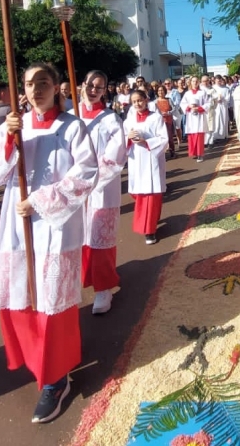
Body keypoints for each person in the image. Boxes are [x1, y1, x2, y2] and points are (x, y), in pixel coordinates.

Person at [0, 62, 98, 423]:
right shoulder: (15, 126)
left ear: (57, 86)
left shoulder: (72, 127)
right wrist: (9, 140)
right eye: (30, 83)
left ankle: (55, 378)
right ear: (23, 90)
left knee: (52, 303)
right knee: (22, 298)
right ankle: (36, 362)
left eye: (43, 82)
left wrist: (42, 201)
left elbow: (86, 174)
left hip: (55, 228)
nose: (36, 89)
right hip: (19, 229)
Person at [73, 70, 127, 315]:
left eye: (100, 86)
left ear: (105, 90)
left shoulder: (110, 119)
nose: (93, 90)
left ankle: (104, 288)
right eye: (90, 85)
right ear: (82, 85)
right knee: (78, 238)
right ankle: (83, 280)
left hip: (101, 188)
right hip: (74, 188)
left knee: (100, 238)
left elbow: (115, 155)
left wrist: (92, 177)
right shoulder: (71, 117)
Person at [124, 90, 168, 244]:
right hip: (136, 161)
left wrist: (146, 141)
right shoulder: (128, 121)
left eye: (140, 100)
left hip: (151, 160)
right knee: (138, 193)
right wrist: (127, 139)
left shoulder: (155, 118)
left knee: (150, 195)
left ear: (146, 100)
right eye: (134, 101)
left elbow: (164, 139)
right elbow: (121, 139)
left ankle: (149, 231)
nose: (137, 103)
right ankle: (152, 219)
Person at [180, 76, 210, 162]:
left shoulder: (202, 93)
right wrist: (188, 107)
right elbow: (182, 104)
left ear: (199, 82)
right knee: (192, 135)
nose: (195, 83)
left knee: (199, 135)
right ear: (190, 82)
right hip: (191, 117)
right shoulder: (187, 93)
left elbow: (208, 103)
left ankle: (200, 154)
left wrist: (200, 108)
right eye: (193, 81)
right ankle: (194, 152)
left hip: (200, 116)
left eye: (196, 81)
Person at [155, 83, 177, 159]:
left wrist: (168, 113)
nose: (160, 92)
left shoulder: (169, 100)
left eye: (162, 90)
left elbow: (174, 109)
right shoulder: (155, 102)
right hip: (159, 122)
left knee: (169, 137)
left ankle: (172, 151)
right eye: (159, 90)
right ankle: (162, 153)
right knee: (160, 138)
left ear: (165, 91)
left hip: (168, 121)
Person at [164, 78, 183, 148]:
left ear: (171, 83)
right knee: (169, 128)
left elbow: (177, 102)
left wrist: (171, 108)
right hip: (168, 113)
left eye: (168, 83)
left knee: (177, 127)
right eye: (166, 84)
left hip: (176, 112)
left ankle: (179, 142)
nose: (167, 85)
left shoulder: (175, 91)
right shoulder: (164, 92)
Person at [211, 75, 230, 143]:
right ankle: (215, 136)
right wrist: (216, 99)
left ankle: (223, 136)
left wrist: (223, 98)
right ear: (215, 80)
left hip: (223, 107)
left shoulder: (225, 89)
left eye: (220, 80)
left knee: (223, 120)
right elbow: (210, 98)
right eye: (217, 80)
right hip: (215, 107)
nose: (219, 81)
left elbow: (228, 98)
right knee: (216, 121)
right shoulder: (212, 88)